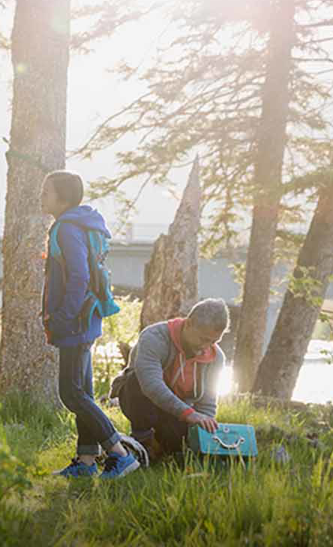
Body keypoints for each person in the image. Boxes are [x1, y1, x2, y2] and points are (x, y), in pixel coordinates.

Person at [40, 170, 138, 479]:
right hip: (85, 318)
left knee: (70, 394)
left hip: (75, 321)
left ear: (63, 198)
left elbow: (80, 276)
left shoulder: (67, 229)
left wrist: (64, 316)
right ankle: (85, 460)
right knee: (81, 391)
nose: (42, 196)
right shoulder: (78, 224)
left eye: (47, 191)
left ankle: (119, 452)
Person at [117, 298, 230, 462]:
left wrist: (203, 430)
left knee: (179, 449)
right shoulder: (154, 337)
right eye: (203, 339)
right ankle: (142, 441)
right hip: (143, 400)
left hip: (178, 410)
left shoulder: (216, 356)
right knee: (134, 381)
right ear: (189, 324)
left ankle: (160, 447)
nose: (206, 347)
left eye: (213, 341)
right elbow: (151, 386)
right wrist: (188, 414)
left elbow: (207, 402)